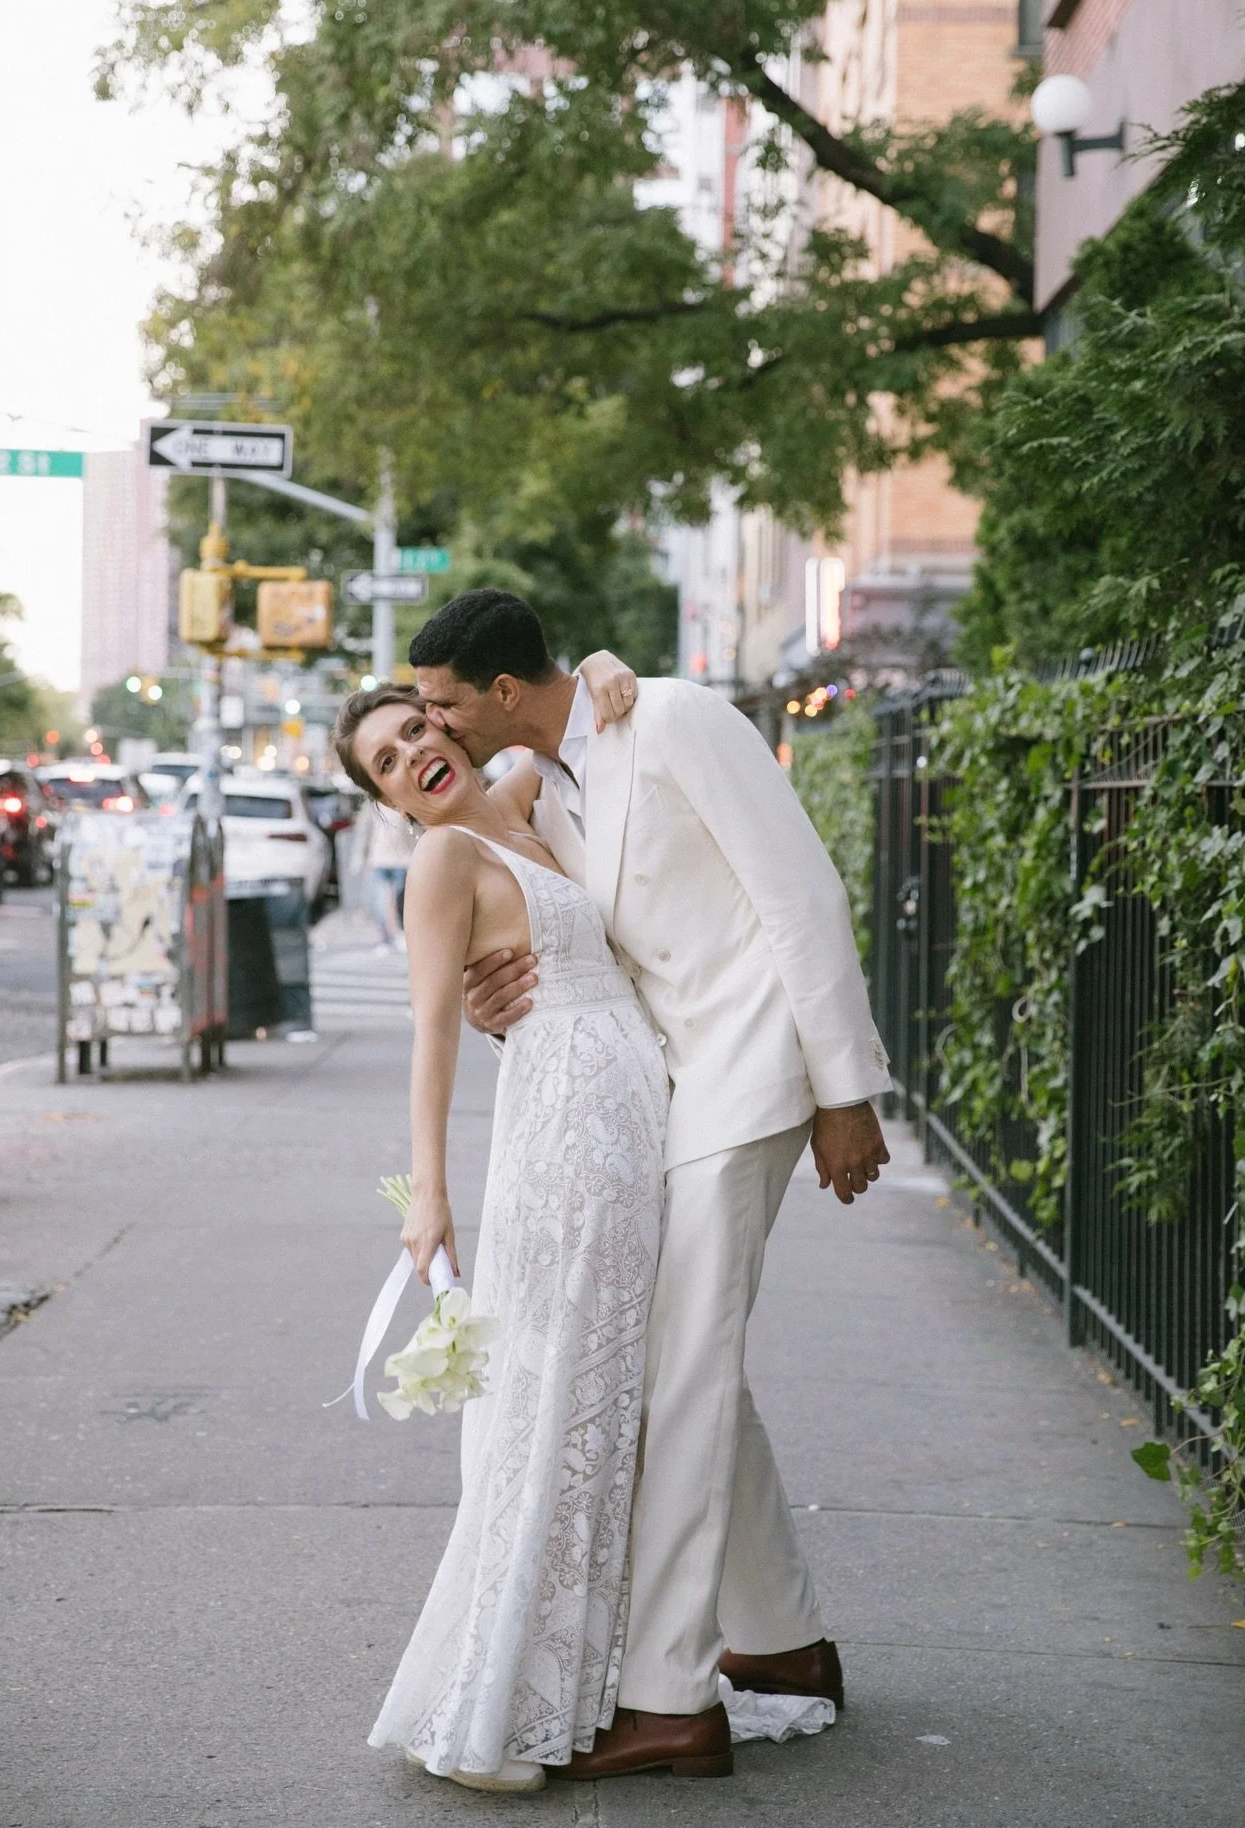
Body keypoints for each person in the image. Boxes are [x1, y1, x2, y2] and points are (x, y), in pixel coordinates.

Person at [409, 588, 892, 1783]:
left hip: (756, 1080)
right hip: (673, 1093)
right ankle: (782, 1642)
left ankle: (671, 1695)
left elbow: (801, 895)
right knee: (686, 1360)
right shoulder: (544, 787)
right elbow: (568, 939)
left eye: (444, 705)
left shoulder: (672, 719)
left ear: (504, 693)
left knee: (676, 1380)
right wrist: (499, 998)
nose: (435, 729)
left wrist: (846, 1091)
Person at [333, 680, 673, 1793]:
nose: (413, 756)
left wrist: (609, 660)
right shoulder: (441, 863)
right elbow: (431, 1030)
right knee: (553, 1406)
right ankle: (494, 1710)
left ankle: (591, 1681)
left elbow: (568, 717)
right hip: (564, 1150)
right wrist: (426, 1197)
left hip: (625, 1132)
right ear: (388, 800)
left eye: (415, 730)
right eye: (386, 762)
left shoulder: (527, 800)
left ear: (448, 724)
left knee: (607, 1397)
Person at [351, 800, 416, 951]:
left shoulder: (404, 802)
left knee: (401, 901)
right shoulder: (372, 806)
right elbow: (364, 833)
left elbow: (414, 831)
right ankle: (385, 938)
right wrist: (358, 860)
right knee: (381, 901)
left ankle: (401, 934)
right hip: (380, 860)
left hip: (402, 861)